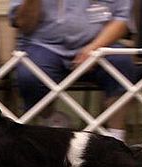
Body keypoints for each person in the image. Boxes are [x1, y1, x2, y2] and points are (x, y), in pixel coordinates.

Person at [9, 0, 135, 141]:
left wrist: (94, 47)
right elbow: (22, 24)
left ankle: (117, 137)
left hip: (99, 43)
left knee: (122, 63)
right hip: (43, 45)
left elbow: (122, 20)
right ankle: (52, 118)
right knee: (29, 75)